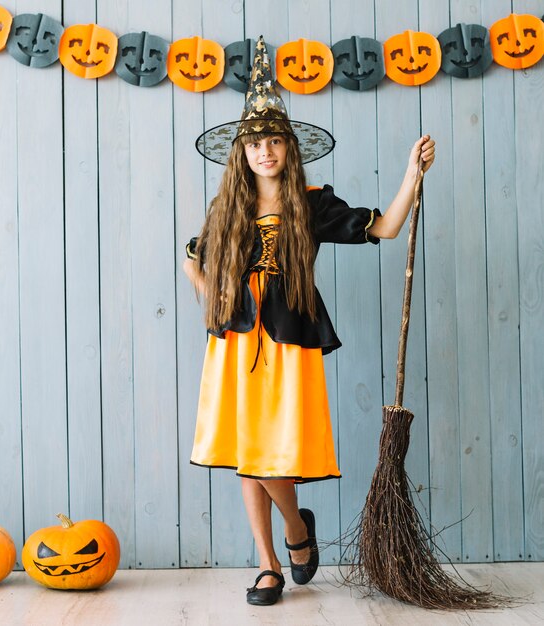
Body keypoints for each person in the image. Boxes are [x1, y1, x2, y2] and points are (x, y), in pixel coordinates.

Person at [183, 37, 435, 606]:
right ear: (240, 153)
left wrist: (410, 177)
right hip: (234, 338)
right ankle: (269, 563)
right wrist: (214, 301)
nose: (265, 151)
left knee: (271, 447)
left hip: (289, 337)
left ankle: (298, 529)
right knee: (246, 450)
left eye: (274, 141)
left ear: (289, 149)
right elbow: (192, 261)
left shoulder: (311, 202)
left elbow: (385, 228)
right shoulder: (227, 211)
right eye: (255, 143)